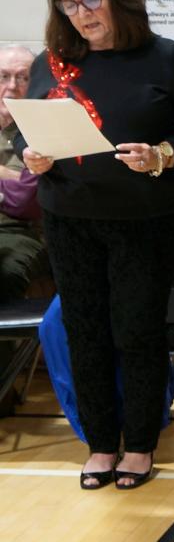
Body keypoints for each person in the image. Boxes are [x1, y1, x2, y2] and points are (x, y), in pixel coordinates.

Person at [17, 0, 174, 490]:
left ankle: (141, 444)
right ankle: (101, 444)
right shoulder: (51, 62)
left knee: (137, 331)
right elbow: (25, 128)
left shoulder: (163, 57)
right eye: (68, 5)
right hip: (69, 218)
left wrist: (161, 155)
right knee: (85, 333)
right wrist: (30, 152)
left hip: (144, 220)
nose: (82, 14)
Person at [0, 44, 49, 416]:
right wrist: (8, 176)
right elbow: (14, 186)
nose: (12, 86)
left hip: (18, 232)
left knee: (2, 274)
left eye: (22, 77)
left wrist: (13, 183)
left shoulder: (39, 129)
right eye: (4, 77)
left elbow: (24, 201)